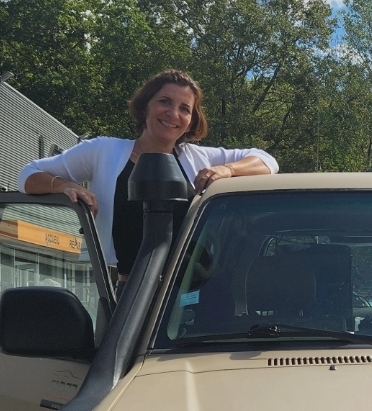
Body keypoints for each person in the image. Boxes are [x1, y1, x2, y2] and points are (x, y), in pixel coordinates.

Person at [19, 69, 278, 287]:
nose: (173, 113)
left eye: (184, 109)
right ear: (145, 107)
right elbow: (27, 175)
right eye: (165, 102)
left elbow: (267, 161)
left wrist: (227, 170)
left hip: (189, 294)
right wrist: (64, 185)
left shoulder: (199, 158)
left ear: (190, 122)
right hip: (123, 293)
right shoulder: (102, 151)